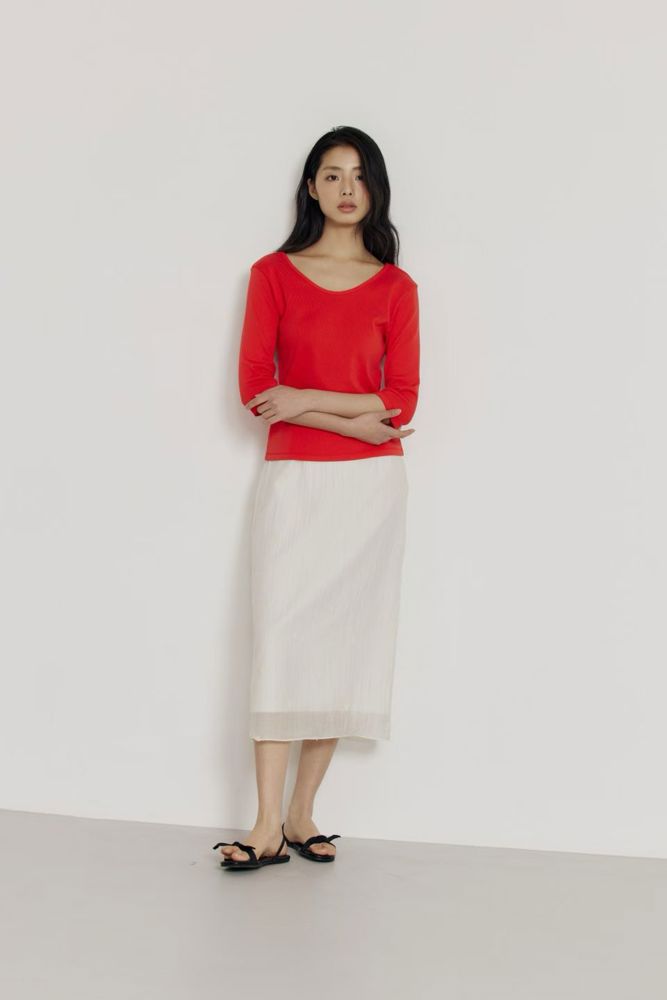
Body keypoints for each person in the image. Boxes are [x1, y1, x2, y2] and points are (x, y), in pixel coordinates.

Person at [216, 125, 420, 870]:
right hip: (295, 480)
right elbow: (254, 390)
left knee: (342, 641)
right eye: (331, 175)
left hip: (370, 492)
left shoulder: (396, 288)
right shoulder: (272, 274)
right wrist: (344, 415)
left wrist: (301, 396)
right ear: (310, 187)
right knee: (280, 637)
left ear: (375, 189)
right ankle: (265, 823)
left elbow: (401, 404)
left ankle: (300, 814)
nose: (345, 189)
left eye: (358, 176)